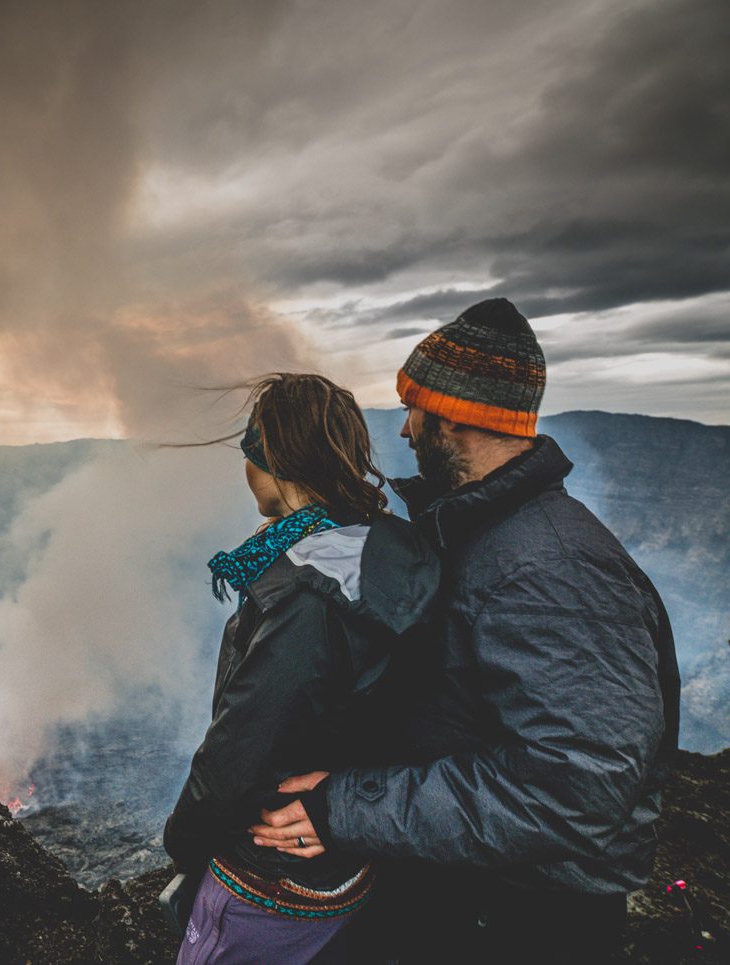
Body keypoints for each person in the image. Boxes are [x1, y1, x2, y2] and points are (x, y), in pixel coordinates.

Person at [249, 299, 680, 963]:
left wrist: (349, 808)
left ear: (453, 417)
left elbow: (574, 785)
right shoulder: (483, 533)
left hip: (523, 914)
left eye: (414, 410)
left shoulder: (552, 568)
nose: (405, 431)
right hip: (471, 881)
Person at [163, 373, 441, 964]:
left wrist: (183, 843)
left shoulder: (305, 595)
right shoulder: (394, 548)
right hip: (349, 855)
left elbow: (243, 747)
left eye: (250, 453)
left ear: (276, 463)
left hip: (269, 878)